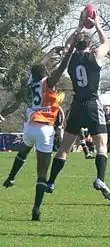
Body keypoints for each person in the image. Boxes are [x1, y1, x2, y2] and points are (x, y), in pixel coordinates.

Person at [2, 35, 77, 221]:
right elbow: (62, 68)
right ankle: (36, 209)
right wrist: (70, 50)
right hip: (45, 128)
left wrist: (51, 53)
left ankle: (11, 177)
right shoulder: (47, 83)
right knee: (42, 173)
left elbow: (36, 65)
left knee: (25, 150)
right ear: (45, 73)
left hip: (29, 126)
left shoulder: (30, 82)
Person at [45, 10, 110, 200]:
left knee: (64, 148)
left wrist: (79, 25)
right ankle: (100, 178)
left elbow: (68, 45)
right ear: (90, 44)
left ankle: (51, 182)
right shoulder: (94, 57)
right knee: (102, 145)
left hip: (76, 104)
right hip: (92, 104)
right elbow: (106, 43)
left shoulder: (71, 60)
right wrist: (98, 24)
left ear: (76, 43)